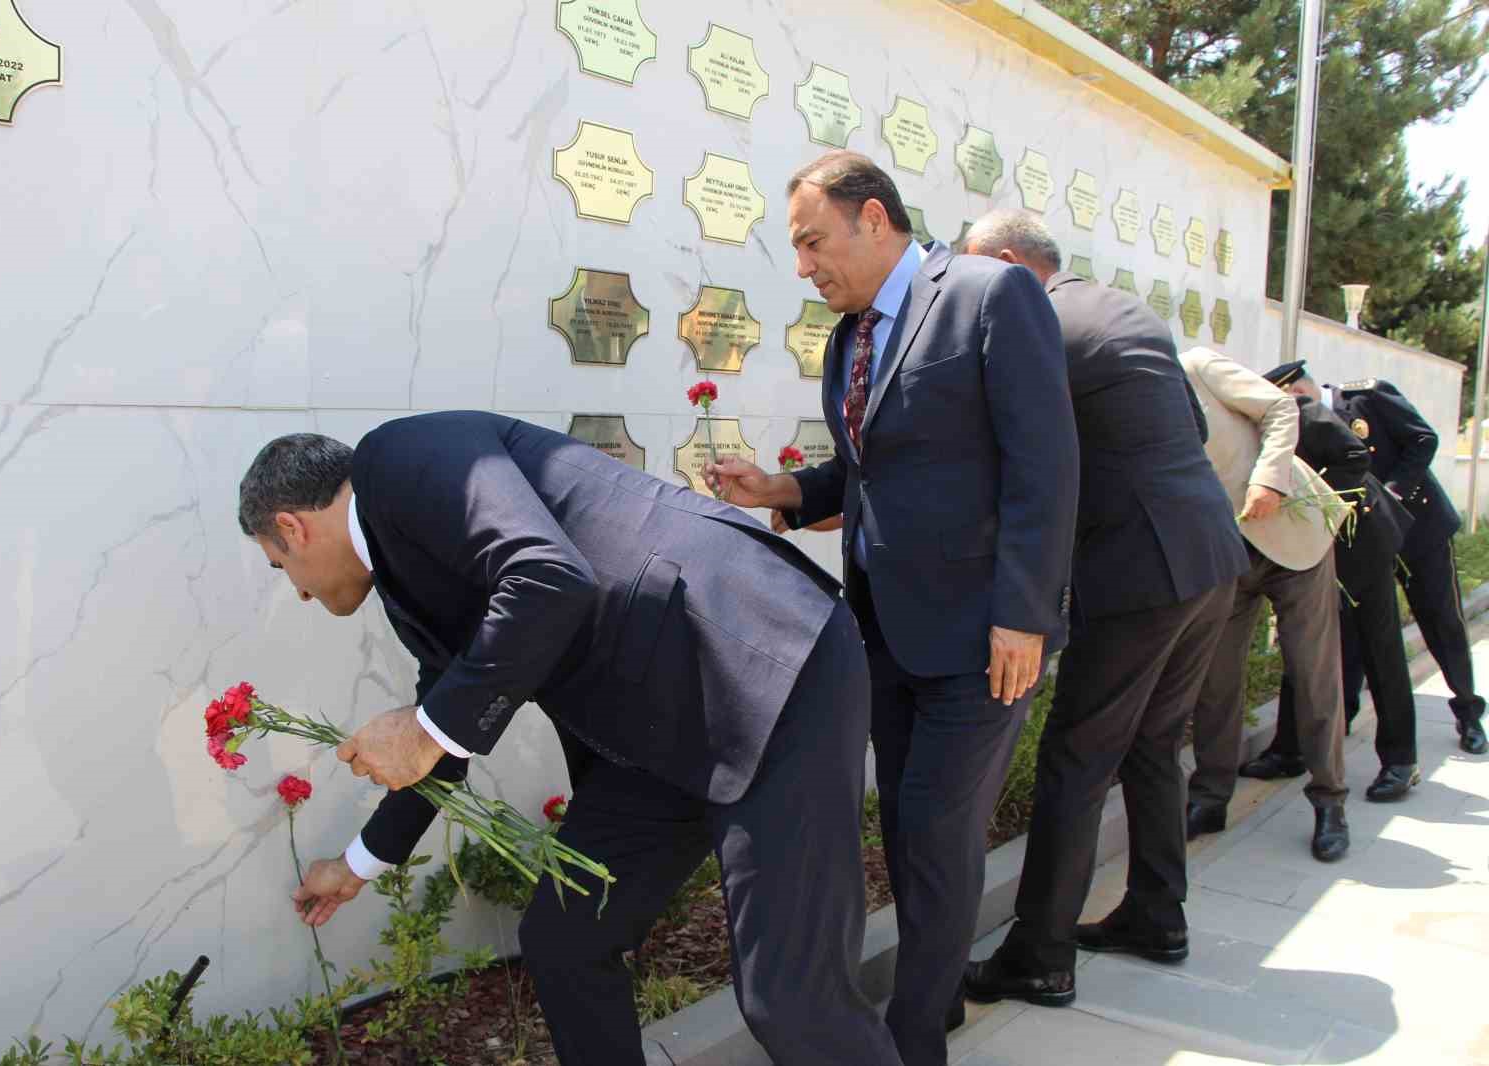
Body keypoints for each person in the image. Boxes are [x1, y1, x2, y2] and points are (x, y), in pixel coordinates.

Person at [237, 415, 905, 1066]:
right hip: (659, 732)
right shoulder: (407, 582)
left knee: (791, 999)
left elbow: (548, 574)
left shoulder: (400, 458)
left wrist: (421, 729)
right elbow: (443, 740)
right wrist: (355, 867)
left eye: (279, 565)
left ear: (292, 527)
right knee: (566, 940)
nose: (296, 592)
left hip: (763, 661)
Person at [705, 152, 1078, 1066]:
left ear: (874, 219)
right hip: (886, 633)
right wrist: (781, 490)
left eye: (811, 242)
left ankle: (913, 1045)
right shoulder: (850, 336)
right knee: (912, 833)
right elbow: (868, 474)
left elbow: (1045, 463)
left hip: (987, 637)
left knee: (935, 835)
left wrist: (1023, 614)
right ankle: (936, 995)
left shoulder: (991, 297)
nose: (803, 266)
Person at [958, 212, 1247, 1006]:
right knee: (1152, 743)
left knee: (1075, 759)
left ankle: (1039, 957)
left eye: (975, 275)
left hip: (1141, 571)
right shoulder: (1123, 309)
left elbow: (1006, 445)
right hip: (1209, 556)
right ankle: (1157, 914)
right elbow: (1186, 428)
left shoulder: (1040, 322)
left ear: (1012, 265)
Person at [1181, 348, 1352, 862]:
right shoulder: (1128, 407)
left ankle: (1329, 801)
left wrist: (1269, 479)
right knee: (1215, 681)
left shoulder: (1198, 367)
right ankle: (1210, 798)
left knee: (1312, 673)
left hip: (1290, 532)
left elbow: (1281, 409)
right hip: (1225, 556)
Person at [1248, 361, 1422, 801]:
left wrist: (1310, 508)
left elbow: (1354, 457)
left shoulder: (1306, 413)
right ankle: (1289, 751)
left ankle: (1400, 761)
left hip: (1362, 546)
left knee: (1380, 650)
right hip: (1314, 553)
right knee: (1303, 645)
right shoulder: (1263, 427)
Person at [1332, 376, 1487, 755]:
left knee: (1441, 619)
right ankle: (1344, 713)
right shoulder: (1315, 419)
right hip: (1366, 542)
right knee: (1352, 628)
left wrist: (1392, 493)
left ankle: (1468, 712)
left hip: (1420, 529)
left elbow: (1423, 438)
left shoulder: (1368, 394)